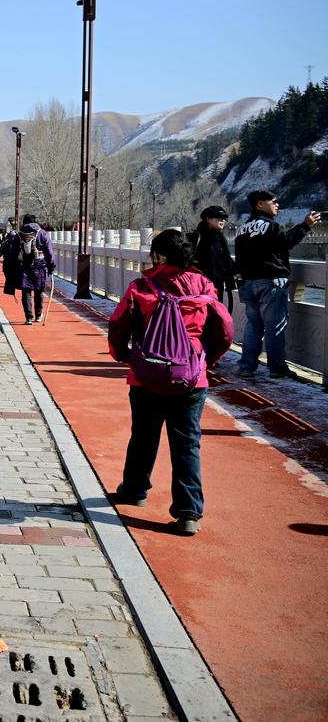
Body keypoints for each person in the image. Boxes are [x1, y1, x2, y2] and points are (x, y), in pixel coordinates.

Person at [107, 229, 233, 536]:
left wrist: (123, 355)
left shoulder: (142, 287)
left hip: (147, 375)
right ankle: (188, 512)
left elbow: (119, 324)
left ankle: (135, 490)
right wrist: (206, 361)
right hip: (191, 376)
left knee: (143, 435)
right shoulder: (203, 285)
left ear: (158, 256)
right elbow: (225, 329)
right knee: (187, 442)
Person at [233, 191, 320, 378]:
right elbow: (286, 242)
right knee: (275, 327)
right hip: (270, 281)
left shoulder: (242, 229)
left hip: (247, 283)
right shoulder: (271, 226)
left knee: (253, 325)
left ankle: (246, 366)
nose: (277, 205)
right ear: (260, 204)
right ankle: (277, 368)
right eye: (273, 202)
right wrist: (305, 225)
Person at [1, 214, 55, 325]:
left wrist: (12, 268)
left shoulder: (19, 235)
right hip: (39, 266)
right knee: (39, 290)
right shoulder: (42, 233)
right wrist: (51, 266)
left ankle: (28, 317)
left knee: (26, 291)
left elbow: (13, 253)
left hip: (23, 266)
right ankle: (38, 315)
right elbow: (49, 252)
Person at [187, 206, 236, 313]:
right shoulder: (196, 238)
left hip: (218, 287)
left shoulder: (220, 238)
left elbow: (226, 261)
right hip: (199, 288)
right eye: (219, 217)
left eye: (224, 218)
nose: (222, 220)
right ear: (208, 219)